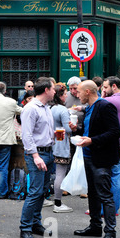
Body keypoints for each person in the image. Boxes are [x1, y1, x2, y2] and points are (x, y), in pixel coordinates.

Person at [71, 80, 120, 238]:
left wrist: (92, 140)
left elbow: (115, 132)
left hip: (101, 158)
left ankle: (110, 234)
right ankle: (95, 226)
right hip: (89, 156)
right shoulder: (90, 108)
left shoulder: (105, 106)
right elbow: (90, 130)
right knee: (93, 192)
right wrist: (76, 129)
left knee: (105, 195)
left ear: (89, 92)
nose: (77, 95)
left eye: (79, 91)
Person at [19, 77, 55, 238]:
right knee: (34, 192)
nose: (55, 91)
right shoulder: (30, 108)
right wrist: (35, 156)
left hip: (48, 153)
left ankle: (35, 223)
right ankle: (25, 228)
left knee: (42, 191)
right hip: (37, 155)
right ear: (46, 90)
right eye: (53, 89)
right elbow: (26, 135)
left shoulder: (46, 107)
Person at [100, 76, 120, 216]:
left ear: (114, 86)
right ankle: (114, 209)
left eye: (105, 87)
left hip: (110, 143)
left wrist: (103, 96)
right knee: (116, 175)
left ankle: (104, 209)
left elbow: (95, 105)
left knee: (105, 176)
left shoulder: (107, 101)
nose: (103, 90)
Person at [50, 83, 73, 213]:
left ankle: (45, 199)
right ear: (60, 95)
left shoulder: (49, 107)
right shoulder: (63, 110)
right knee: (60, 174)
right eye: (65, 94)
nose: (66, 96)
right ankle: (57, 203)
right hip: (61, 144)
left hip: (49, 144)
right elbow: (68, 129)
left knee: (47, 174)